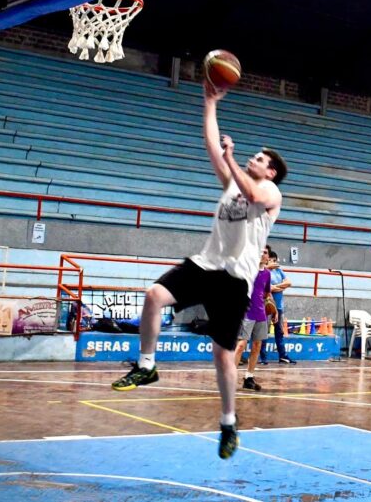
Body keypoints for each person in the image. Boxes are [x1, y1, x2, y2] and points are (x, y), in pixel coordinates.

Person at [110, 81, 287, 460]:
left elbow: (253, 195)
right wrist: (209, 103)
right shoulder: (232, 185)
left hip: (235, 280)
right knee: (154, 296)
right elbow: (211, 148)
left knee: (223, 356)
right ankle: (146, 365)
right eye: (252, 157)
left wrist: (233, 159)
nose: (254, 160)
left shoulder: (271, 194)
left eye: (260, 158)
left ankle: (227, 421)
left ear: (271, 171)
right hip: (206, 264)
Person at [234, 248, 272, 390]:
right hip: (246, 313)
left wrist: (272, 308)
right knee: (241, 346)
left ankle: (249, 377)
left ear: (268, 257)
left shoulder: (267, 274)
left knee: (257, 346)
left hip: (261, 314)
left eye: (265, 252)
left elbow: (267, 292)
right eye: (260, 252)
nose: (263, 254)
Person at [259, 249, 296, 364]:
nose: (274, 263)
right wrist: (279, 287)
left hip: (279, 307)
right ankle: (263, 358)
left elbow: (289, 283)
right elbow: (268, 288)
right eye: (271, 260)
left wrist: (276, 286)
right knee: (263, 333)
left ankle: (283, 356)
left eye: (275, 260)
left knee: (279, 332)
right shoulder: (265, 272)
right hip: (267, 307)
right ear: (267, 260)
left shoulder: (279, 271)